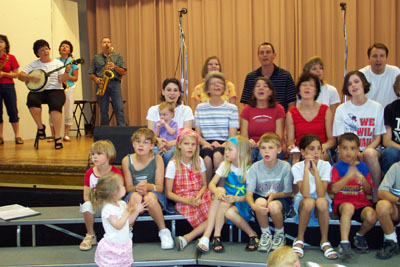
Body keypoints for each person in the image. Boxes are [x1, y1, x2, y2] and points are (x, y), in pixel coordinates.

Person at [197, 136, 258, 253]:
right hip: (227, 201)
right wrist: (217, 192)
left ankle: (251, 233)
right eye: (226, 149)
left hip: (242, 203)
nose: (226, 152)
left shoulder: (250, 170)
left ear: (240, 152)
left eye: (230, 150)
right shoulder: (225, 165)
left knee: (228, 208)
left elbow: (250, 196)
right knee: (222, 193)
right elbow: (212, 184)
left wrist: (235, 198)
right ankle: (217, 236)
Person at [333, 70, 386, 203]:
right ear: (347, 89)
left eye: (356, 82)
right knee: (344, 155)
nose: (354, 86)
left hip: (371, 148)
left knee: (369, 154)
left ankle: (375, 196)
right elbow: (340, 138)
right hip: (347, 148)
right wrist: (354, 151)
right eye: (350, 84)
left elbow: (378, 138)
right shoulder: (341, 109)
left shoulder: (377, 107)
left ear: (363, 84)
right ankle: (342, 198)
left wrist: (363, 151)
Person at [121, 128, 174, 250]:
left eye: (145, 142)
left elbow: (160, 188)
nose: (141, 145)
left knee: (149, 197)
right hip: (135, 194)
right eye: (138, 141)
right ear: (133, 144)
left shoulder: (157, 159)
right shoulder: (126, 160)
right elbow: (129, 188)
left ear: (152, 145)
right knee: (135, 196)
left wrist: (149, 187)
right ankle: (127, 234)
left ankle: (163, 231)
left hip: (155, 194)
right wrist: (138, 188)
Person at [165, 129, 213, 251]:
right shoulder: (173, 164)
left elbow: (204, 185)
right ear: (179, 145)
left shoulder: (199, 161)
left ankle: (187, 238)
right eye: (186, 144)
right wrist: (189, 201)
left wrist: (199, 195)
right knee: (216, 215)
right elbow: (168, 193)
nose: (190, 147)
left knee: (219, 207)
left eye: (193, 144)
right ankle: (201, 238)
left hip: (200, 195)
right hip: (183, 199)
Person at [18, 39, 71, 149]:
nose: (45, 51)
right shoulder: (33, 64)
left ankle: (57, 137)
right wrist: (30, 77)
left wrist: (66, 72)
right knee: (31, 101)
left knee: (55, 107)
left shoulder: (58, 63)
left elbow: (62, 79)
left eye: (47, 49)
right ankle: (40, 127)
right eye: (42, 50)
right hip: (38, 91)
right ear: (37, 53)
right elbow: (20, 76)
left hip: (55, 90)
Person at [331, 133, 376, 259]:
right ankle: (344, 244)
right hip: (343, 204)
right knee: (348, 207)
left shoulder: (363, 167)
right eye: (344, 148)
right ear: (339, 149)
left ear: (358, 150)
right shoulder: (336, 167)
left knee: (372, 216)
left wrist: (362, 179)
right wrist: (349, 176)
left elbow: (368, 191)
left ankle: (360, 235)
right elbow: (334, 189)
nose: (348, 152)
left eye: (352, 148)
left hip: (361, 203)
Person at [291, 135, 337, 260]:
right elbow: (305, 193)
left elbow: (321, 193)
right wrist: (306, 169)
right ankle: (299, 239)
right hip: (303, 201)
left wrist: (315, 170)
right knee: (309, 201)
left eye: (318, 148)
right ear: (302, 151)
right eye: (311, 149)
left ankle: (325, 241)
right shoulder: (296, 167)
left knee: (321, 202)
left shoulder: (326, 165)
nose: (316, 152)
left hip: (320, 200)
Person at [246, 132, 293, 253]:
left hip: (280, 199)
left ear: (279, 150)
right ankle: (265, 234)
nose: (266, 151)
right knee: (260, 202)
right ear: (259, 150)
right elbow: (249, 193)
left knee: (273, 206)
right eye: (263, 148)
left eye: (271, 148)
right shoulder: (254, 167)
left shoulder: (285, 166)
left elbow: (288, 193)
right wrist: (253, 206)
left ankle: (279, 234)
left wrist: (274, 195)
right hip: (260, 197)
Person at [92, 173, 147, 267]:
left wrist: (136, 211)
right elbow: (118, 225)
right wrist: (126, 213)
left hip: (124, 245)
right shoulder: (108, 209)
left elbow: (128, 222)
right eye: (121, 186)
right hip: (112, 247)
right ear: (114, 192)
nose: (124, 187)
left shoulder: (122, 204)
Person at [79, 140, 123, 251]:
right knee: (86, 205)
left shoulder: (116, 172)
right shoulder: (89, 173)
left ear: (109, 155)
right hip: (96, 204)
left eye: (99, 154)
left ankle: (116, 236)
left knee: (120, 205)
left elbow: (119, 194)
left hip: (111, 204)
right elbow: (86, 196)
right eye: (93, 154)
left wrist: (106, 201)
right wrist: (96, 201)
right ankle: (90, 234)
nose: (95, 157)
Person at [195, 71, 239, 181]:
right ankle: (207, 190)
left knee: (218, 156)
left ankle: (220, 189)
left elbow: (232, 136)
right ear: (207, 89)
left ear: (224, 88)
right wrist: (206, 144)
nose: (217, 85)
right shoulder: (200, 108)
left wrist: (221, 144)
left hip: (225, 143)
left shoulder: (232, 108)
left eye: (220, 83)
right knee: (207, 159)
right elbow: (197, 134)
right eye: (213, 83)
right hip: (205, 143)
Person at [287, 73, 336, 164]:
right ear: (299, 90)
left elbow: (332, 140)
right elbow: (290, 141)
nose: (307, 88)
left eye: (311, 85)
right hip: (302, 151)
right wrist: (291, 147)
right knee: (296, 158)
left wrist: (323, 146)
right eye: (304, 85)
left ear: (316, 91)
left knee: (319, 155)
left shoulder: (325, 110)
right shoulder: (291, 113)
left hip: (321, 149)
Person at [147, 78, 194, 166]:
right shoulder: (153, 110)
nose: (172, 93)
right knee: (154, 153)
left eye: (175, 90)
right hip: (158, 145)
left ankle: (167, 179)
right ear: (163, 92)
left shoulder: (186, 110)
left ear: (180, 93)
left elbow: (186, 136)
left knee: (169, 155)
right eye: (168, 90)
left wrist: (169, 144)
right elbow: (150, 135)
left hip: (178, 146)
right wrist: (159, 141)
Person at [240, 42, 296, 113]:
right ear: (258, 56)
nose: (265, 55)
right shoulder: (250, 77)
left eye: (268, 52)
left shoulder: (286, 76)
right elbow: (246, 104)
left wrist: (286, 122)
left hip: (280, 121)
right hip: (256, 121)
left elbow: (292, 104)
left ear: (274, 55)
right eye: (261, 53)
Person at [240, 77, 285, 162]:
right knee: (251, 154)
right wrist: (248, 142)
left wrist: (264, 143)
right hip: (253, 148)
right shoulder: (247, 110)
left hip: (272, 147)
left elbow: (279, 136)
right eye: (257, 86)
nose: (261, 88)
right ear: (253, 91)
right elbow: (244, 137)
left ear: (270, 92)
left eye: (265, 86)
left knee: (264, 154)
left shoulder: (278, 109)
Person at [89, 37, 126, 126]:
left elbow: (123, 72)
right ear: (101, 45)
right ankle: (105, 131)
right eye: (104, 42)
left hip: (115, 83)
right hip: (102, 84)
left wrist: (115, 67)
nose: (106, 44)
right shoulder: (96, 58)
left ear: (111, 44)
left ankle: (122, 130)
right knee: (103, 110)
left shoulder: (118, 56)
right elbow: (91, 73)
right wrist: (96, 79)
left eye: (108, 42)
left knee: (119, 108)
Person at [359, 43, 400, 108]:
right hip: (368, 115)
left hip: (390, 114)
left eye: (382, 56)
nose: (378, 59)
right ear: (369, 59)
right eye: (375, 56)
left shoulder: (396, 72)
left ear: (386, 58)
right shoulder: (361, 75)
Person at [0, 34, 23, 144]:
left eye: (1, 42)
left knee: (12, 110)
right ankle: (0, 136)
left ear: (5, 44)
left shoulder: (11, 57)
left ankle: (17, 136)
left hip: (8, 86)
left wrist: (3, 73)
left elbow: (15, 74)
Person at [376, 162, 400, 259]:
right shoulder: (396, 167)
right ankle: (391, 241)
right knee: (382, 206)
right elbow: (381, 192)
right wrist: (398, 200)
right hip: (398, 206)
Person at [56, 40, 79, 141]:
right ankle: (54, 135)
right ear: (59, 49)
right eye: (62, 46)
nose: (64, 47)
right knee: (54, 109)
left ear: (70, 50)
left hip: (69, 87)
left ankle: (66, 134)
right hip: (57, 87)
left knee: (68, 110)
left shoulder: (73, 61)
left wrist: (66, 76)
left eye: (67, 46)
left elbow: (75, 78)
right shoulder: (55, 61)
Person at [381, 74, 400, 174]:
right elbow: (386, 141)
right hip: (396, 149)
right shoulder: (390, 109)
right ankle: (388, 187)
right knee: (390, 153)